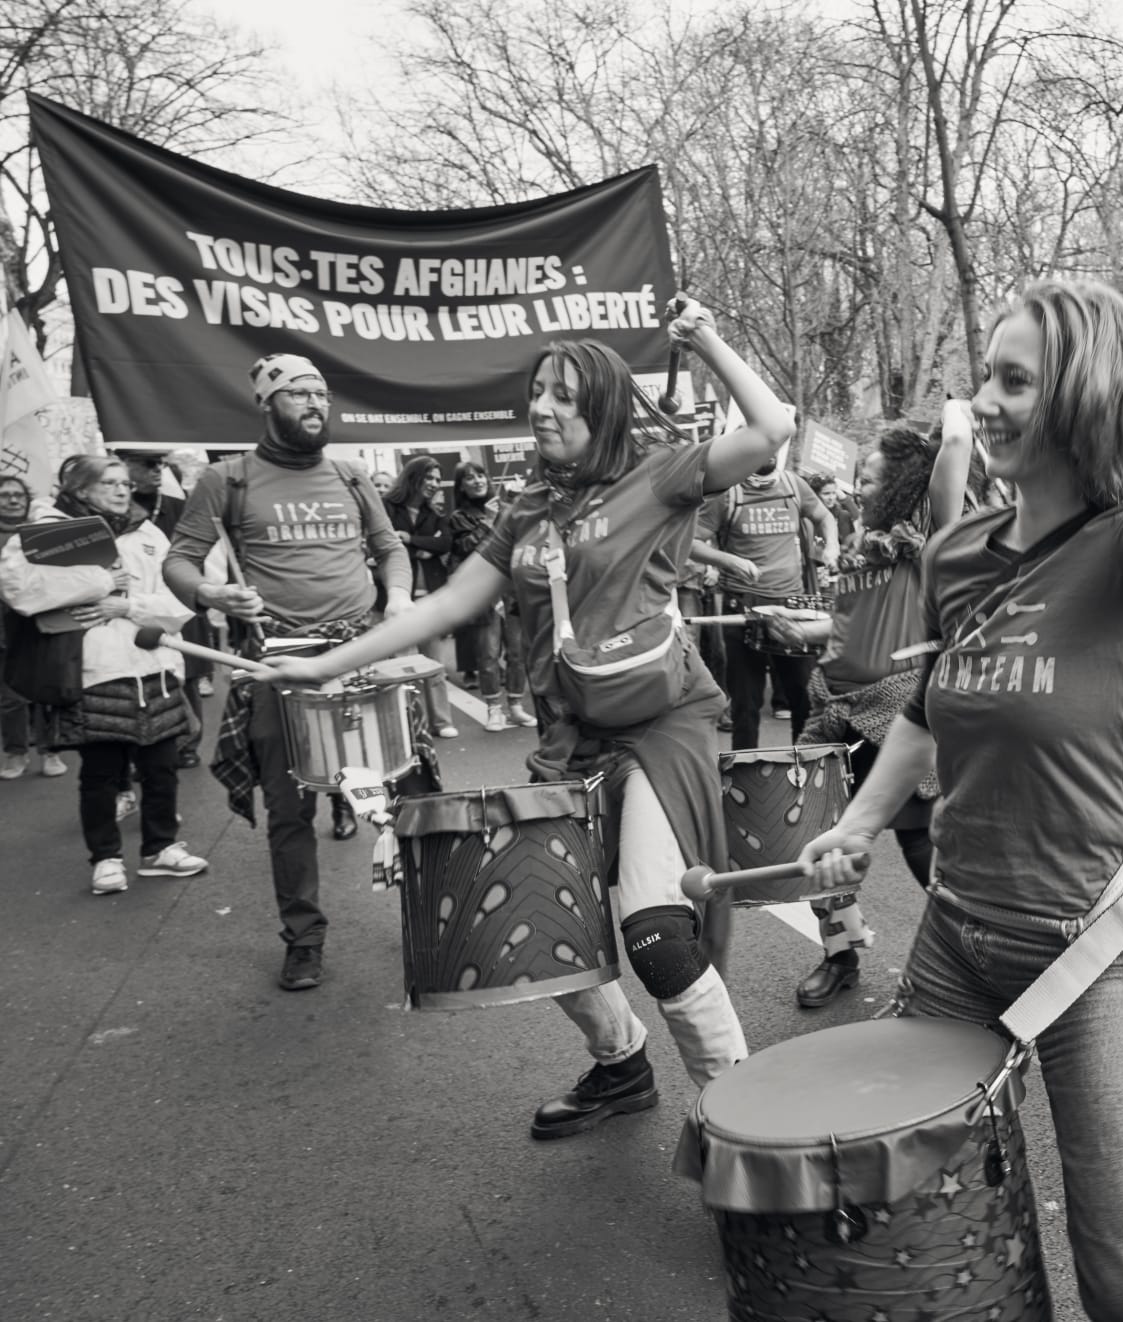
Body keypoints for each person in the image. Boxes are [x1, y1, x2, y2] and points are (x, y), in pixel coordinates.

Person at [801, 278, 1123, 1320]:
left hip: (1096, 944)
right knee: (915, 1227)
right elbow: (928, 706)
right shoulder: (955, 553)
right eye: (986, 378)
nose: (984, 403)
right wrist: (859, 822)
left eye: (1016, 382)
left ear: (1084, 396)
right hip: (955, 934)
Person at [266, 304, 794, 1140]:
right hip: (570, 738)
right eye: (537, 393)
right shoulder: (527, 509)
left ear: (605, 409)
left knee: (654, 934)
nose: (542, 408)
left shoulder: (661, 474)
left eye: (565, 397)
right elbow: (450, 603)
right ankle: (621, 1064)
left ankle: (743, 1126)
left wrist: (704, 339)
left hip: (659, 727)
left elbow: (771, 428)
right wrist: (328, 663)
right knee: (537, 923)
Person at [165, 353, 414, 990]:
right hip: (280, 663)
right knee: (289, 806)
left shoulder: (352, 475)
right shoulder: (226, 479)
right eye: (299, 392)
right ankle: (304, 938)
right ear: (266, 403)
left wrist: (398, 598)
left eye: (321, 393)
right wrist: (212, 594)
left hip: (361, 654)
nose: (315, 403)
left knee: (399, 794)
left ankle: (425, 916)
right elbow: (179, 562)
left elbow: (389, 548)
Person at [767, 416, 971, 1008]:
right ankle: (840, 955)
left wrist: (954, 421)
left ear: (907, 484)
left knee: (920, 846)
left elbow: (955, 450)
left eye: (874, 479)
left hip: (894, 711)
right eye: (861, 477)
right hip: (829, 709)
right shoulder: (861, 542)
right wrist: (801, 629)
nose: (861, 487)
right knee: (819, 843)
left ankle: (970, 958)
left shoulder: (927, 538)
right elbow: (848, 623)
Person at [0, 455, 208, 893]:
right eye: (109, 483)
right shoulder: (46, 532)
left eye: (125, 484)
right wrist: (101, 584)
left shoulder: (147, 533)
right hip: (94, 669)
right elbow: (20, 591)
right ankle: (106, 859)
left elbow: (177, 603)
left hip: (154, 666)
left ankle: (160, 849)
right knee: (101, 773)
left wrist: (128, 605)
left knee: (161, 768)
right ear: (80, 489)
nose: (121, 490)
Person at [692, 449, 840, 749]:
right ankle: (745, 775)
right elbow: (691, 542)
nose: (770, 452)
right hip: (743, 608)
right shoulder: (727, 493)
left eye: (775, 446)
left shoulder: (794, 485)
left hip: (792, 609)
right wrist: (729, 561)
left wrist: (832, 547)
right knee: (746, 706)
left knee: (804, 700)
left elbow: (825, 516)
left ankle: (805, 769)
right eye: (763, 445)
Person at [446, 461, 532, 733]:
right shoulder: (459, 517)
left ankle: (516, 705)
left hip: (512, 590)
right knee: (488, 654)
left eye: (480, 475)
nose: (477, 481)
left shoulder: (505, 508)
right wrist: (487, 521)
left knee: (518, 652)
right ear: (461, 486)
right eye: (469, 478)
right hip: (483, 593)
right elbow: (465, 549)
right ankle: (494, 708)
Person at [382, 456, 460, 739]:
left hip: (431, 598)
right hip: (396, 598)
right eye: (430, 478)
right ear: (413, 477)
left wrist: (410, 540)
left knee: (435, 665)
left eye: (438, 479)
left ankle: (441, 721)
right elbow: (385, 546)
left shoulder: (435, 512)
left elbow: (445, 543)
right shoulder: (387, 508)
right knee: (404, 666)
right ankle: (413, 724)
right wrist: (424, 549)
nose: (435, 484)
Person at [0, 474, 66, 781]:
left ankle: (51, 752)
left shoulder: (42, 531)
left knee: (47, 691)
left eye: (19, 495)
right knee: (10, 696)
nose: (13, 500)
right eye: (5, 495)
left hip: (43, 623)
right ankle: (16, 753)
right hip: (4, 627)